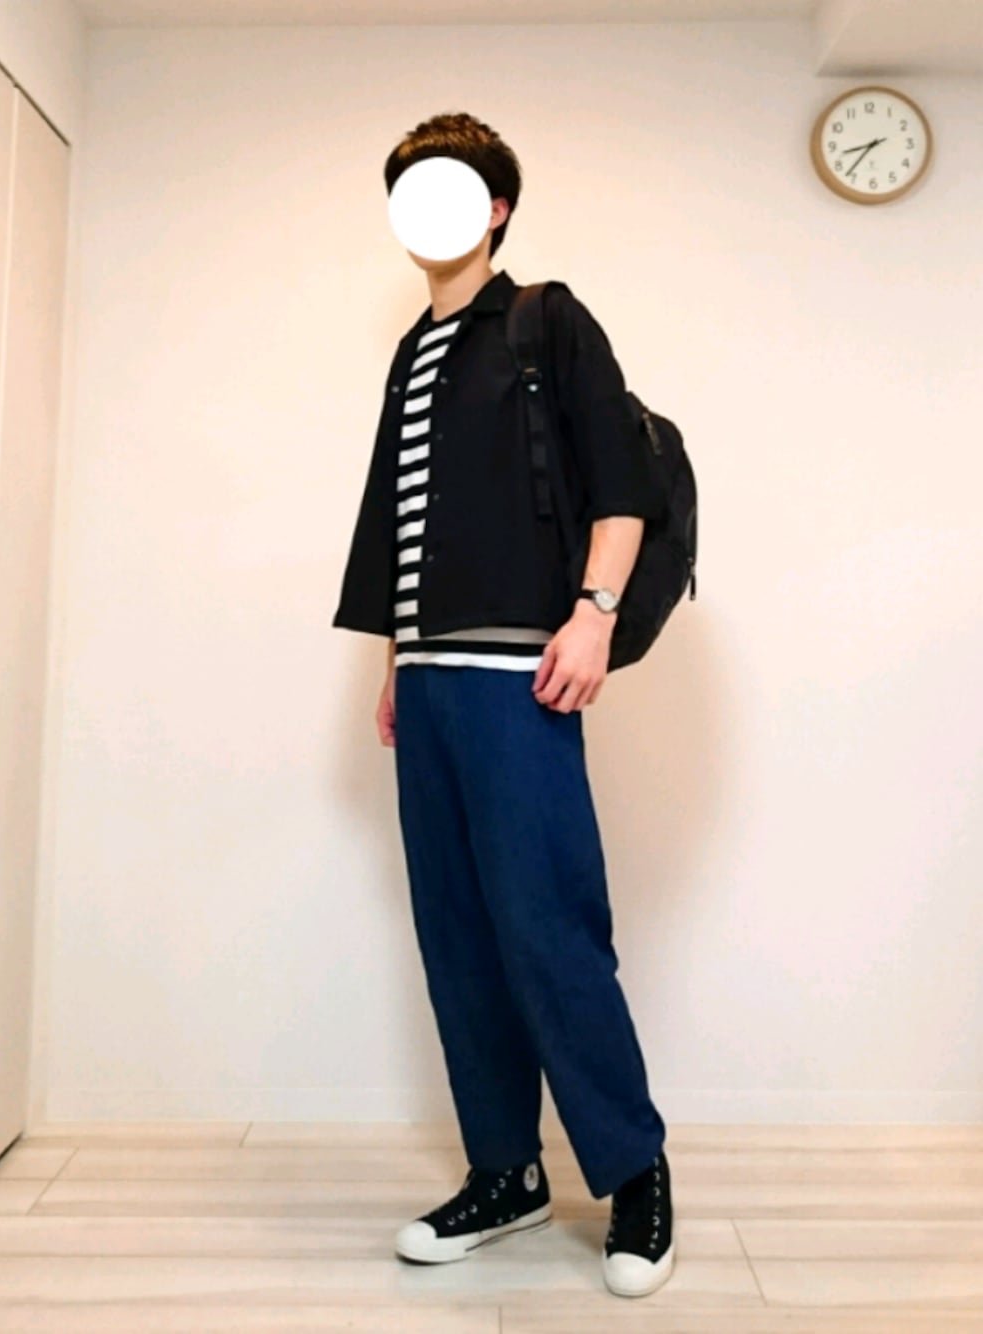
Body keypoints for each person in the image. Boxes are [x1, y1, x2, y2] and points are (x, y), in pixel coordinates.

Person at [332, 110, 674, 1300]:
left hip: (517, 677)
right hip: (428, 684)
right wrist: (394, 658)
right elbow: (403, 521)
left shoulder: (545, 319)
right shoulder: (411, 353)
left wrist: (594, 612)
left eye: (452, 189)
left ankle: (633, 1173)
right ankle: (505, 1171)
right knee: (458, 934)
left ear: (495, 210)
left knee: (547, 927)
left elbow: (621, 481)